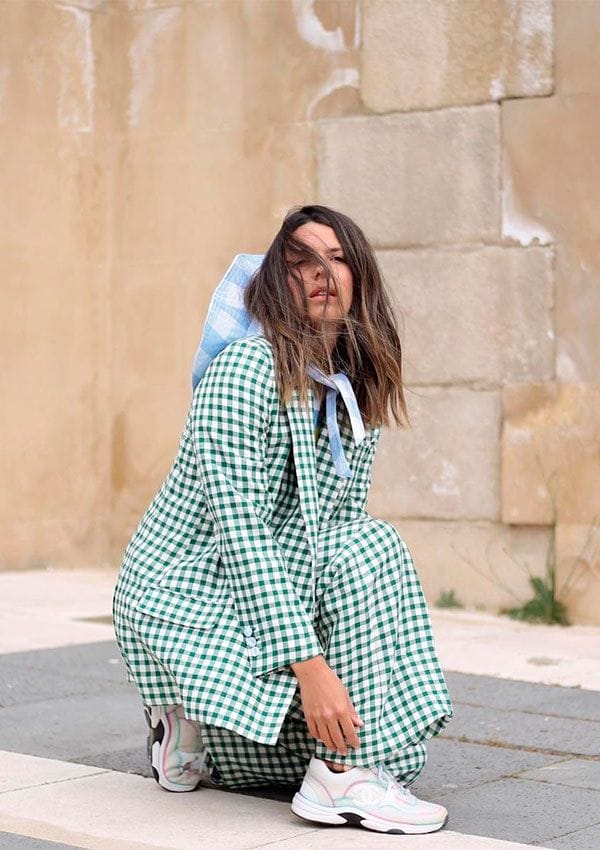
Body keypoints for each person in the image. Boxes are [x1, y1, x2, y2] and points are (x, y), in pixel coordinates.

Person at [112, 204, 453, 835]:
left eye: (339, 258)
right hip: (187, 585)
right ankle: (337, 773)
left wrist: (339, 676)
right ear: (277, 282)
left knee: (365, 548)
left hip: (280, 569)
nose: (323, 273)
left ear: (360, 278)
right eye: (301, 262)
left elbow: (339, 528)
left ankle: (203, 733)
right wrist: (312, 669)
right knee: (369, 549)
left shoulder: (351, 387)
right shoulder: (244, 371)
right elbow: (240, 534)